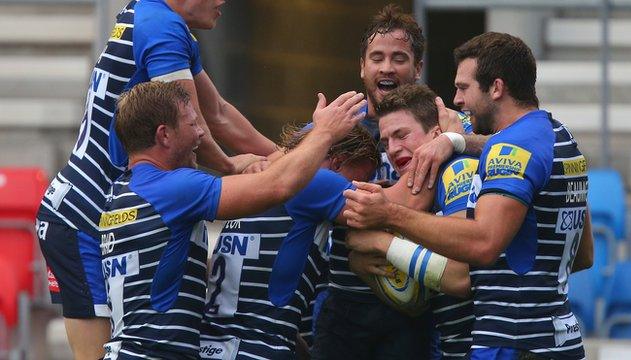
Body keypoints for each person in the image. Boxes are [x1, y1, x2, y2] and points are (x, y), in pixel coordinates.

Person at [35, 0, 275, 358]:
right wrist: (231, 167)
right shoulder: (163, 28)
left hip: (90, 210)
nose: (222, 0)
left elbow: (219, 113)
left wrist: (282, 156)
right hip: (82, 217)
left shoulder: (151, 15)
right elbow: (194, 131)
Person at [343, 32, 594, 360]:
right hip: (559, 339)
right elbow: (584, 255)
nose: (457, 101)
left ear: (496, 88)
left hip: (513, 340)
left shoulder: (511, 149)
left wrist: (387, 218)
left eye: (464, 88)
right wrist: (457, 140)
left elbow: (482, 244)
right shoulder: (559, 137)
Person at [100, 81, 365, 359]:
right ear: (164, 135)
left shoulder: (118, 194)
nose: (202, 133)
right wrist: (324, 132)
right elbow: (277, 186)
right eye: (192, 125)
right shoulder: (173, 190)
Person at [311, 6, 434, 359]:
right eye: (376, 58)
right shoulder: (334, 127)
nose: (387, 68)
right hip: (344, 305)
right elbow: (297, 183)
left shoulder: (439, 129)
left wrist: (452, 140)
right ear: (362, 66)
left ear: (417, 68)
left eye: (399, 58)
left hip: (413, 310)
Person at [199, 123, 380, 359]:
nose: (359, 189)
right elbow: (391, 208)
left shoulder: (251, 188)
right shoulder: (315, 182)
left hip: (208, 347)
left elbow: (254, 306)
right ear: (337, 162)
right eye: (361, 180)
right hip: (258, 350)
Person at [347, 83, 475, 359]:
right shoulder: (419, 191)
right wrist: (360, 264)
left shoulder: (458, 170)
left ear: (437, 135)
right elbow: (415, 301)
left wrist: (380, 242)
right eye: (386, 142)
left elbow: (460, 276)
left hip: (488, 347)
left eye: (401, 135)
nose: (392, 149)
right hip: (454, 347)